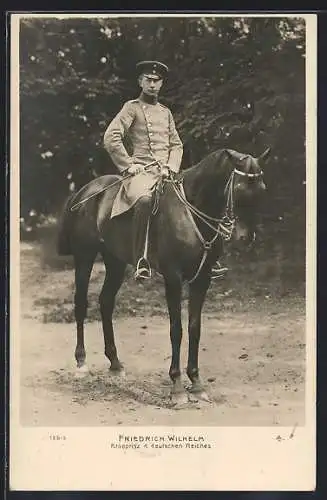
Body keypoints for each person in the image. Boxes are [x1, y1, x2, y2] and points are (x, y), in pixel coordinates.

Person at [103, 60, 228, 280]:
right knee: (143, 200)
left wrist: (170, 166)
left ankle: (208, 257)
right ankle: (141, 259)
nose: (152, 84)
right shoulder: (131, 108)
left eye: (156, 81)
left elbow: (176, 144)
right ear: (140, 82)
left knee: (191, 199)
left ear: (161, 84)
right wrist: (128, 164)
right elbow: (111, 137)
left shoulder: (165, 112)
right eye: (148, 80)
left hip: (165, 172)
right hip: (141, 172)